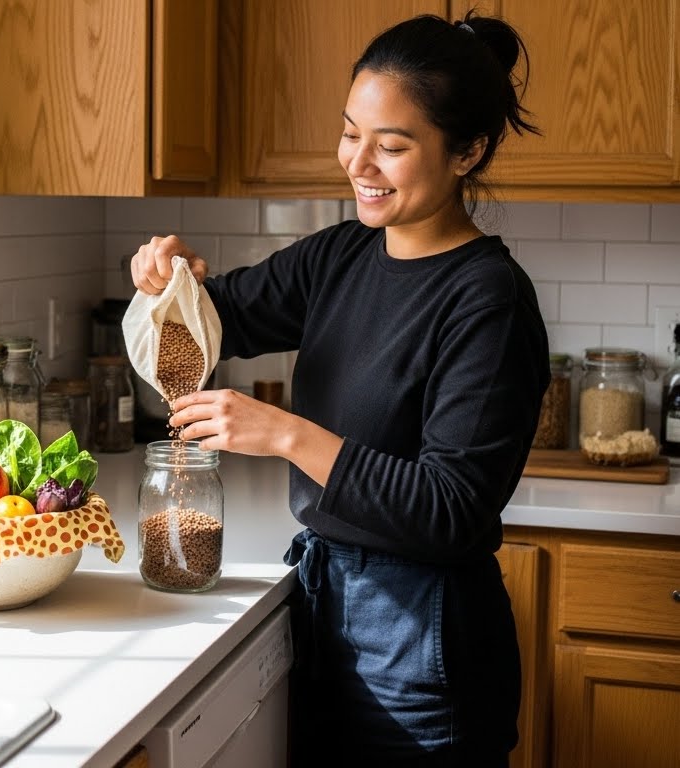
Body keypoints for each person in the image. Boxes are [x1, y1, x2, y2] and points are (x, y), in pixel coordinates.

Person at [131, 12, 546, 767]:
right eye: (350, 133)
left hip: (424, 642)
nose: (359, 162)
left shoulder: (486, 297)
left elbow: (450, 509)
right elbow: (214, 316)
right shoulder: (342, 254)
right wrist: (168, 281)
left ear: (468, 152)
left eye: (390, 145)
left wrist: (286, 433)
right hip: (326, 603)